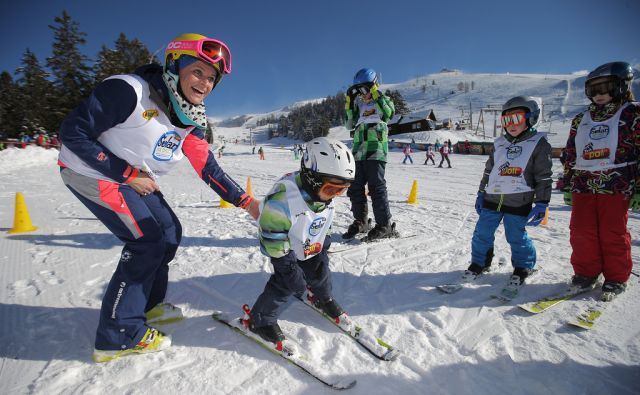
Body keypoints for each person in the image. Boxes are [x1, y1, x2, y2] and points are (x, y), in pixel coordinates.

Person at [57, 33, 260, 362]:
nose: (205, 83)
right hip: (89, 171)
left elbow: (210, 170)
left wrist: (247, 203)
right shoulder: (129, 91)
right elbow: (72, 132)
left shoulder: (188, 119)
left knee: (168, 232)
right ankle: (117, 334)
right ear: (174, 65)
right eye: (197, 72)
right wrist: (127, 174)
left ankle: (146, 307)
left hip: (133, 175)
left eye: (212, 78)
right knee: (146, 241)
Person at [248, 137, 355, 344]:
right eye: (332, 189)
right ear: (311, 178)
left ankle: (323, 298)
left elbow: (324, 218)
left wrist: (325, 240)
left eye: (342, 190)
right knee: (285, 284)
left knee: (321, 272)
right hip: (284, 250)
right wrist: (288, 268)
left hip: (310, 245)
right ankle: (260, 320)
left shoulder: (322, 195)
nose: (336, 195)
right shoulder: (282, 198)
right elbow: (272, 236)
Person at [561, 61, 640, 301]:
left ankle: (616, 277)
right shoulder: (581, 118)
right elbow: (570, 152)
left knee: (612, 232)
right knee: (581, 231)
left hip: (616, 184)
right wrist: (567, 183)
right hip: (584, 184)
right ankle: (586, 274)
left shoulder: (632, 113)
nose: (599, 94)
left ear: (621, 86)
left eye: (605, 87)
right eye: (593, 90)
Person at [467, 96, 552, 294]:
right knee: (482, 233)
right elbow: (489, 171)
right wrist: (481, 193)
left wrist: (542, 203)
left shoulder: (538, 143)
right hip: (492, 199)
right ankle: (479, 263)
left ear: (531, 118)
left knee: (516, 236)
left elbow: (544, 177)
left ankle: (524, 266)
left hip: (518, 200)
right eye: (506, 120)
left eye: (517, 119)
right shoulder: (499, 143)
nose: (511, 125)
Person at [342, 68, 397, 240]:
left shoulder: (383, 101)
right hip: (358, 152)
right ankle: (362, 222)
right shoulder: (359, 106)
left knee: (376, 188)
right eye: (358, 91)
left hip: (376, 150)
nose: (362, 94)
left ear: (373, 85)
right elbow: (349, 125)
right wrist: (349, 102)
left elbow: (390, 113)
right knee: (355, 187)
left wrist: (376, 94)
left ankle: (385, 225)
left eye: (364, 89)